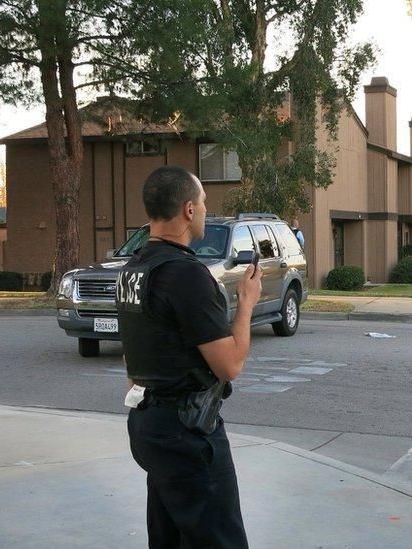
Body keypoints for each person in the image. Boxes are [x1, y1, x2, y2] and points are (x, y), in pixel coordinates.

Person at [116, 166, 261, 548]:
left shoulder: (133, 271)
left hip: (149, 424)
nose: (206, 209)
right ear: (188, 210)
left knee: (169, 538)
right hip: (189, 432)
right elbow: (229, 366)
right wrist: (246, 305)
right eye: (203, 202)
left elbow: (133, 362)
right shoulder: (186, 274)